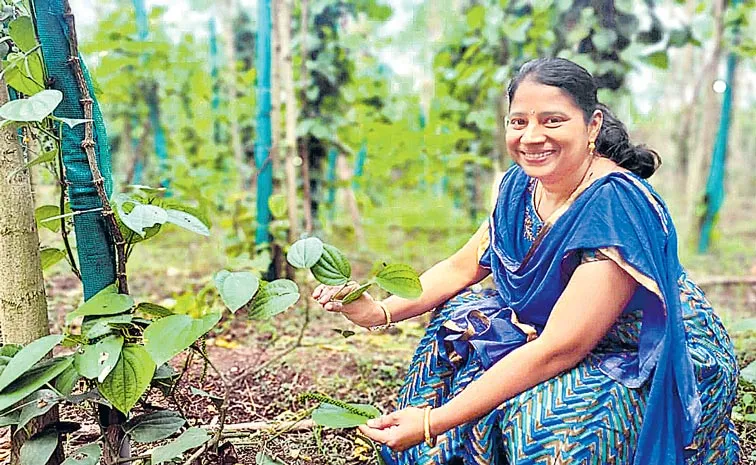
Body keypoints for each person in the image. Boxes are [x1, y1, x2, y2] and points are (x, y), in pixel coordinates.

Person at [312, 58, 739, 465]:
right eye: (519, 121)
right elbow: (462, 269)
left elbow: (560, 349)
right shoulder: (520, 185)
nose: (532, 136)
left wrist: (432, 422)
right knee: (460, 317)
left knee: (548, 424)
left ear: (592, 126)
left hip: (637, 350)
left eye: (552, 120)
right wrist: (377, 311)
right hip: (554, 332)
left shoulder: (616, 207)